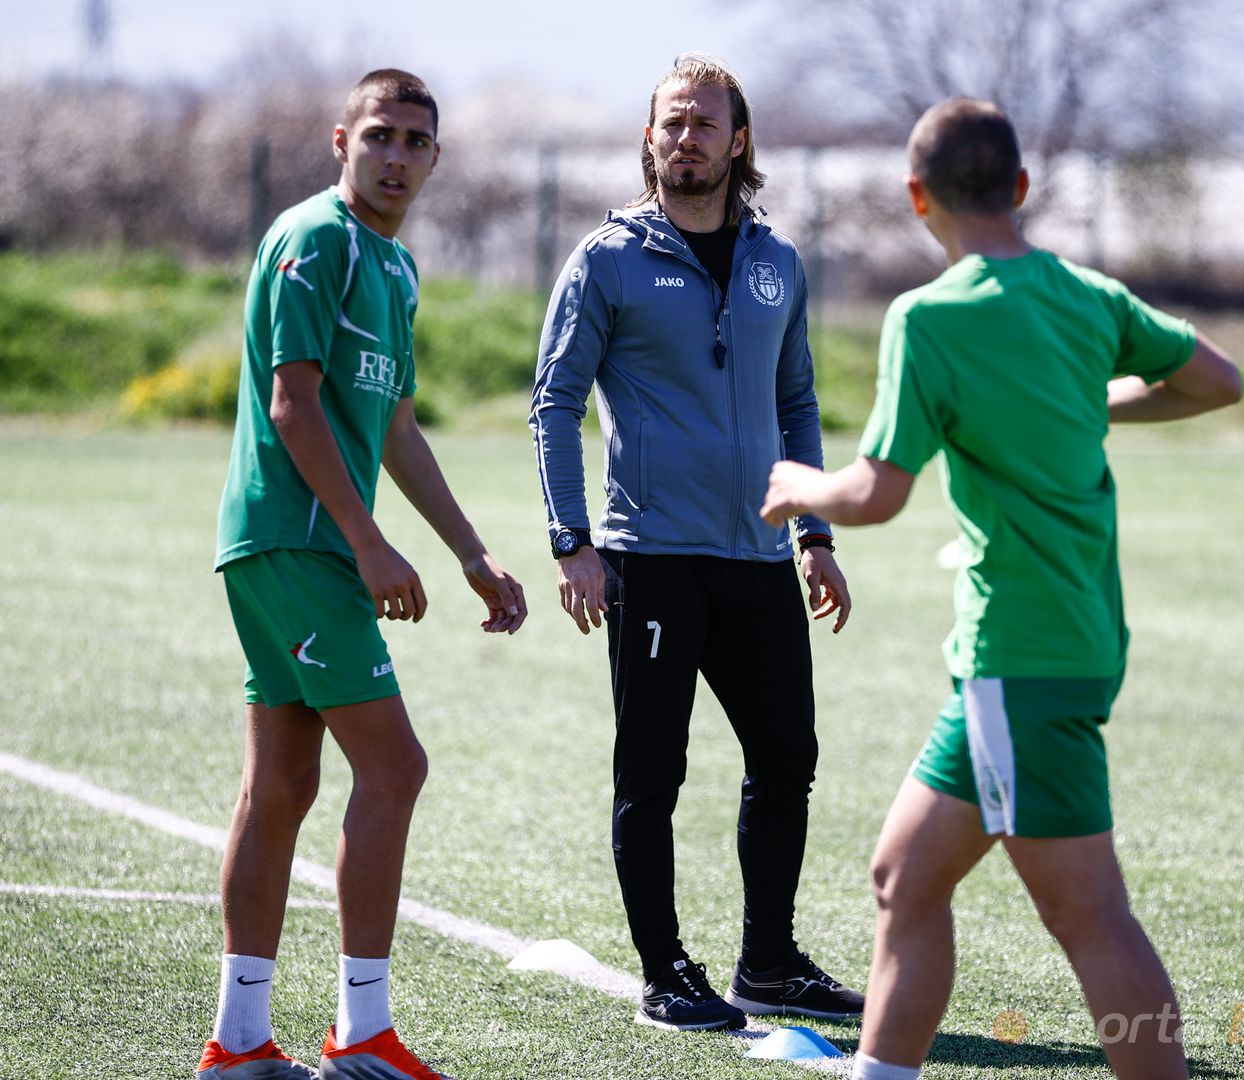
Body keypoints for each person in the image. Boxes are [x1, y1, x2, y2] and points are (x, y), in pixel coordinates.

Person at [760, 98, 1242, 1080]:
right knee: (900, 877)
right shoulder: (1085, 295)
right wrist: (1079, 400)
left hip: (1015, 657)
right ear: (1018, 188)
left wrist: (795, 485)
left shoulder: (929, 316)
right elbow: (1216, 382)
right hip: (1067, 641)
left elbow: (873, 496)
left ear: (913, 197)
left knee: (1087, 917)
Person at [200, 69, 527, 1080]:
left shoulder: (394, 268)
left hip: (299, 544)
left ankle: (240, 1044)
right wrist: (367, 543)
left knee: (283, 785)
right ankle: (362, 1034)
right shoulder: (316, 239)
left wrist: (469, 552)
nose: (394, 156)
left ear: (434, 158)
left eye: (414, 142)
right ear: (341, 139)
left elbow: (390, 424)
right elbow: (292, 404)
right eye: (378, 135)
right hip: (296, 541)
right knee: (394, 767)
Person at [528, 54, 864, 1033]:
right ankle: (664, 972)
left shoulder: (777, 263)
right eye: (669, 123)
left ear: (737, 139)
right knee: (651, 771)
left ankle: (766, 964)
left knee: (786, 754)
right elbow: (552, 401)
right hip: (651, 558)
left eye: (702, 124)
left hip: (759, 556)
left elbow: (795, 403)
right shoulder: (607, 258)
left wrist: (813, 532)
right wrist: (570, 540)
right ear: (649, 138)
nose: (684, 139)